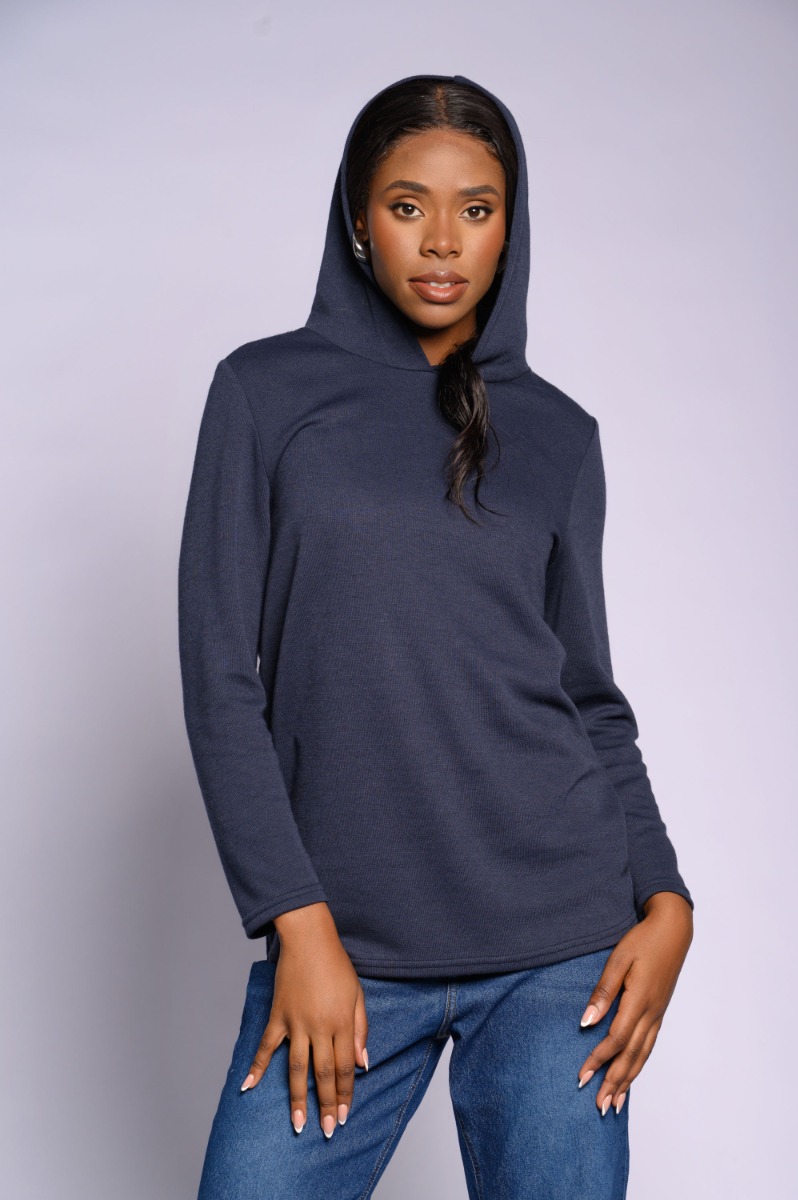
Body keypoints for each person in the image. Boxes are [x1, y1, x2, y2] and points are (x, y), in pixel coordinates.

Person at [177, 72, 694, 1200]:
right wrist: (300, 925)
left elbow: (588, 700)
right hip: (345, 944)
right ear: (359, 219)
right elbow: (220, 682)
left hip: (560, 947)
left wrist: (668, 900)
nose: (444, 241)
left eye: (478, 207)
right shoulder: (264, 394)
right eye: (408, 205)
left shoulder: (559, 434)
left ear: (511, 224)